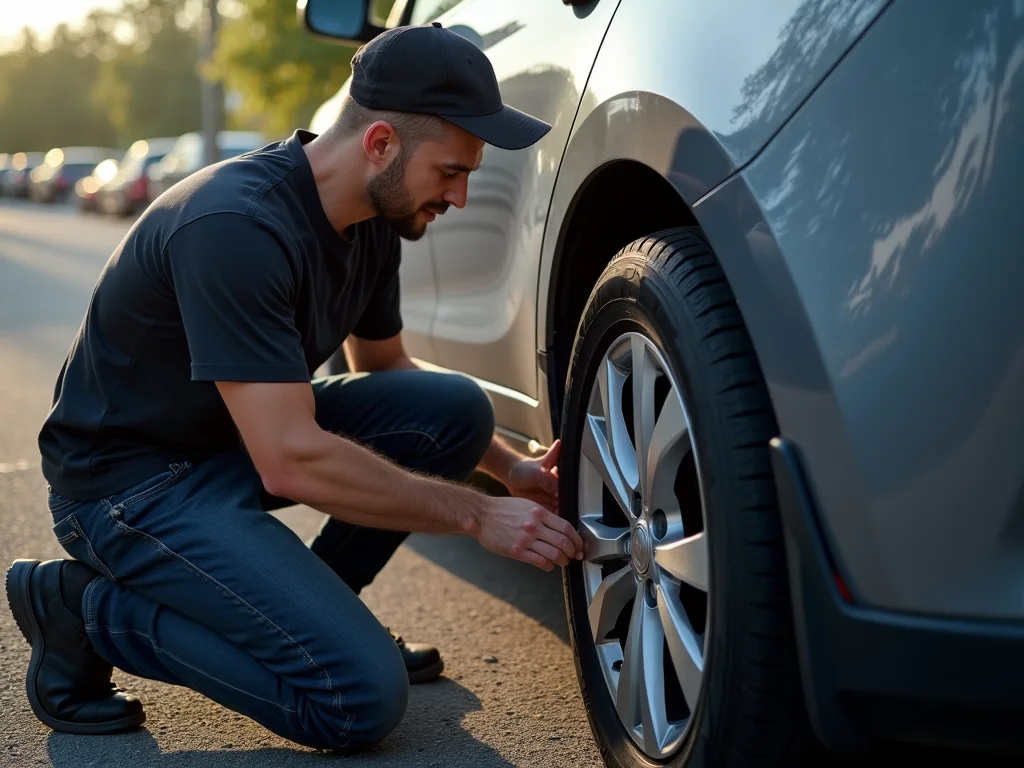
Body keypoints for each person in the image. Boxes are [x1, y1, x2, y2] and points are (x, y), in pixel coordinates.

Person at [6, 23, 585, 751]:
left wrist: (512, 471)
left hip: (229, 448)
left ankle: (321, 622)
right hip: (126, 488)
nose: (461, 197)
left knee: (453, 410)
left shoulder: (371, 217)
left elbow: (389, 373)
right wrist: (477, 515)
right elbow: (291, 459)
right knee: (357, 702)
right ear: (380, 144)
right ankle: (84, 612)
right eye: (450, 171)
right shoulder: (236, 226)